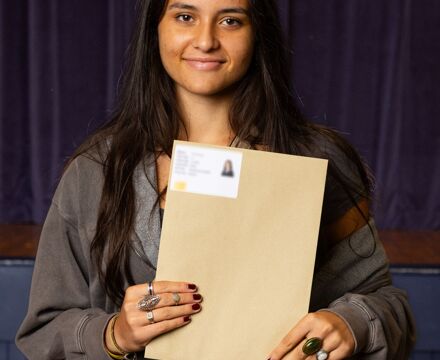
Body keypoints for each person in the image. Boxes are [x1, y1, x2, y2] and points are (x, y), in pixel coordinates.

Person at [16, 0, 415, 359]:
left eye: (230, 20)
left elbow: (387, 303)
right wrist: (113, 335)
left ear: (257, 34)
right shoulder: (96, 172)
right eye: (185, 16)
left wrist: (351, 324)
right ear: (156, 27)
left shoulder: (317, 161)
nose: (205, 40)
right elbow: (42, 330)